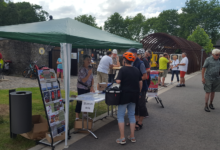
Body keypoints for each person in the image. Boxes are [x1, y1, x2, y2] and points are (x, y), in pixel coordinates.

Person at [116, 52, 142, 144]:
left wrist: (116, 79)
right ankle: (132, 136)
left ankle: (122, 138)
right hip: (134, 95)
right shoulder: (136, 70)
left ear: (124, 60)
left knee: (120, 115)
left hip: (124, 95)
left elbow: (118, 81)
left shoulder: (122, 69)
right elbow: (140, 82)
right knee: (131, 115)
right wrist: (139, 92)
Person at [127, 48, 148, 130]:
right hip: (134, 87)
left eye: (130, 54)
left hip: (142, 88)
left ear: (135, 54)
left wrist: (135, 79)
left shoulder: (140, 63)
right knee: (134, 104)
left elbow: (145, 76)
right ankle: (135, 121)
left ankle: (140, 122)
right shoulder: (131, 62)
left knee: (141, 105)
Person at [75, 55, 95, 120]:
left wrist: (92, 86)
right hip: (81, 87)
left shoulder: (90, 68)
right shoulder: (81, 69)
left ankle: (85, 115)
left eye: (90, 60)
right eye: (87, 59)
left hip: (88, 87)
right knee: (80, 102)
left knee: (86, 101)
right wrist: (88, 74)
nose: (89, 61)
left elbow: (92, 78)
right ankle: (77, 117)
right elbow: (83, 80)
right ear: (84, 60)